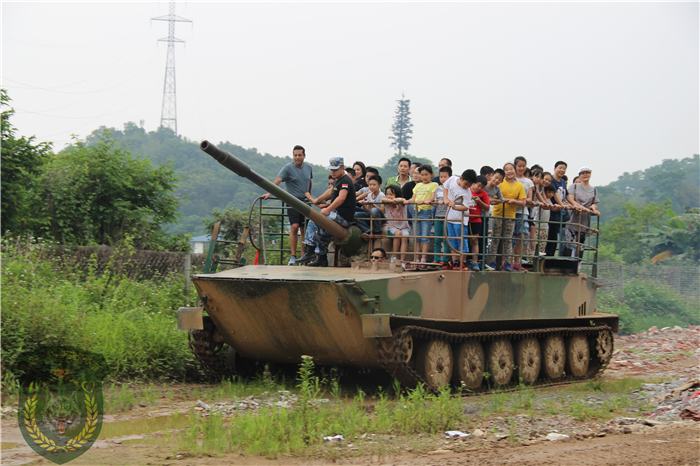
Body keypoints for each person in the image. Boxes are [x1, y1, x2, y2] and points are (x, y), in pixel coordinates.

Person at [296, 157, 356, 267]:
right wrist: (318, 199)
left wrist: (328, 209)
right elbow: (330, 192)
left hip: (343, 217)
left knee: (315, 220)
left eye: (335, 170)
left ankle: (309, 251)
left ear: (342, 168)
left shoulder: (345, 181)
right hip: (337, 214)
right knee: (323, 231)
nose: (332, 172)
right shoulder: (338, 180)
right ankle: (322, 258)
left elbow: (341, 198)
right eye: (331, 170)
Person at [262, 145, 313, 266]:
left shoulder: (308, 168)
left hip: (305, 202)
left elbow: (309, 181)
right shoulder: (288, 168)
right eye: (295, 155)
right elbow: (277, 181)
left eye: (300, 155)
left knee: (304, 229)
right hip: (292, 201)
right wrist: (269, 192)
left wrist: (309, 195)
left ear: (304, 156)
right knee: (294, 227)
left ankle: (303, 257)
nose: (297, 157)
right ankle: (293, 257)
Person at [487, 163, 526, 272]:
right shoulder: (500, 182)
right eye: (506, 170)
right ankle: (491, 261)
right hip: (498, 214)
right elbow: (491, 195)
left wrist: (514, 201)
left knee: (508, 240)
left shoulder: (519, 186)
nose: (509, 171)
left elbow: (523, 202)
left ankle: (508, 263)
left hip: (510, 216)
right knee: (495, 238)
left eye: (511, 169)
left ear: (515, 170)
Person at [442, 169, 477, 270]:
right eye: (466, 183)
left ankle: (463, 261)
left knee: (461, 241)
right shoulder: (452, 179)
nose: (466, 186)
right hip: (450, 218)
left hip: (460, 220)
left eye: (469, 185)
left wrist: (455, 207)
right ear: (461, 178)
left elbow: (466, 207)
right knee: (452, 240)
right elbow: (445, 187)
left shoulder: (467, 192)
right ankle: (455, 261)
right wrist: (446, 199)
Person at [405, 165, 438, 269]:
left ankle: (423, 260)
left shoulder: (434, 184)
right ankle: (416, 259)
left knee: (425, 237)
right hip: (416, 212)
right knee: (416, 237)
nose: (424, 177)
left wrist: (424, 201)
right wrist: (405, 201)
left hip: (426, 211)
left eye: (426, 175)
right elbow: (413, 198)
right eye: (422, 174)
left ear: (431, 175)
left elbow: (432, 198)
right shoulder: (417, 186)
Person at [564, 166, 600, 258]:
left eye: (587, 173)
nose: (585, 175)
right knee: (569, 244)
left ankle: (577, 266)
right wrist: (583, 208)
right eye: (583, 173)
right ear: (579, 176)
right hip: (572, 219)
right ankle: (566, 265)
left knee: (580, 245)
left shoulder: (594, 190)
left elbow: (594, 203)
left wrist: (593, 208)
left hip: (584, 221)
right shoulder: (574, 187)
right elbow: (570, 200)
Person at [513, 156, 534, 271]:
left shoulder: (528, 181)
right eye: (519, 166)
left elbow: (530, 198)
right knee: (510, 237)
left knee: (520, 236)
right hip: (511, 211)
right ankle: (509, 261)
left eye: (523, 166)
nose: (521, 168)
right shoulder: (510, 179)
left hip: (523, 211)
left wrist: (520, 201)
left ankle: (517, 262)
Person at [545, 161, 570, 256]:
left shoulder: (562, 181)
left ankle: (551, 255)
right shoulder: (551, 180)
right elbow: (555, 194)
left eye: (564, 168)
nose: (562, 170)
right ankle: (548, 255)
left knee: (555, 235)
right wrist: (562, 205)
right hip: (552, 211)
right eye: (560, 168)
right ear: (554, 168)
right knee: (551, 234)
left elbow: (567, 195)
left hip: (559, 213)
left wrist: (576, 206)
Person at [382, 185, 410, 263]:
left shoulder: (401, 202)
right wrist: (392, 200)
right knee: (398, 233)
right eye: (387, 194)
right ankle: (394, 257)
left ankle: (402, 261)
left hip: (404, 227)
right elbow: (383, 200)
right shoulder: (387, 203)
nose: (388, 196)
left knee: (404, 237)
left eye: (391, 194)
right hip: (392, 227)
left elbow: (401, 199)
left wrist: (395, 201)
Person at [468, 175, 490, 271]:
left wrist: (479, 201)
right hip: (465, 219)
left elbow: (487, 207)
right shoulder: (467, 190)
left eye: (482, 187)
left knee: (475, 241)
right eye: (479, 185)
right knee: (464, 240)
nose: (480, 188)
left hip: (476, 220)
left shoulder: (483, 194)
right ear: (474, 183)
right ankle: (464, 261)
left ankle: (475, 262)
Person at [433, 166, 452, 263]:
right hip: (438, 216)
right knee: (437, 239)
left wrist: (445, 201)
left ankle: (444, 259)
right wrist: (436, 202)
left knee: (446, 239)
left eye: (445, 177)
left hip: (447, 217)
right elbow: (435, 201)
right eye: (441, 177)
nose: (443, 179)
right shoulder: (437, 189)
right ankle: (436, 259)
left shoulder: (451, 189)